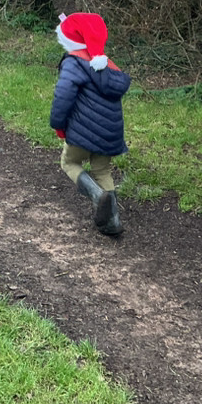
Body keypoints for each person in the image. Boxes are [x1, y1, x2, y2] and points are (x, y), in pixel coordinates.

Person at [49, 12, 131, 236]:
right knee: (102, 170)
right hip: (110, 133)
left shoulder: (74, 63)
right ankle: (113, 221)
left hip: (81, 132)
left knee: (69, 163)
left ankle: (96, 195)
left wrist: (58, 124)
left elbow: (63, 96)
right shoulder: (109, 66)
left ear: (71, 39)